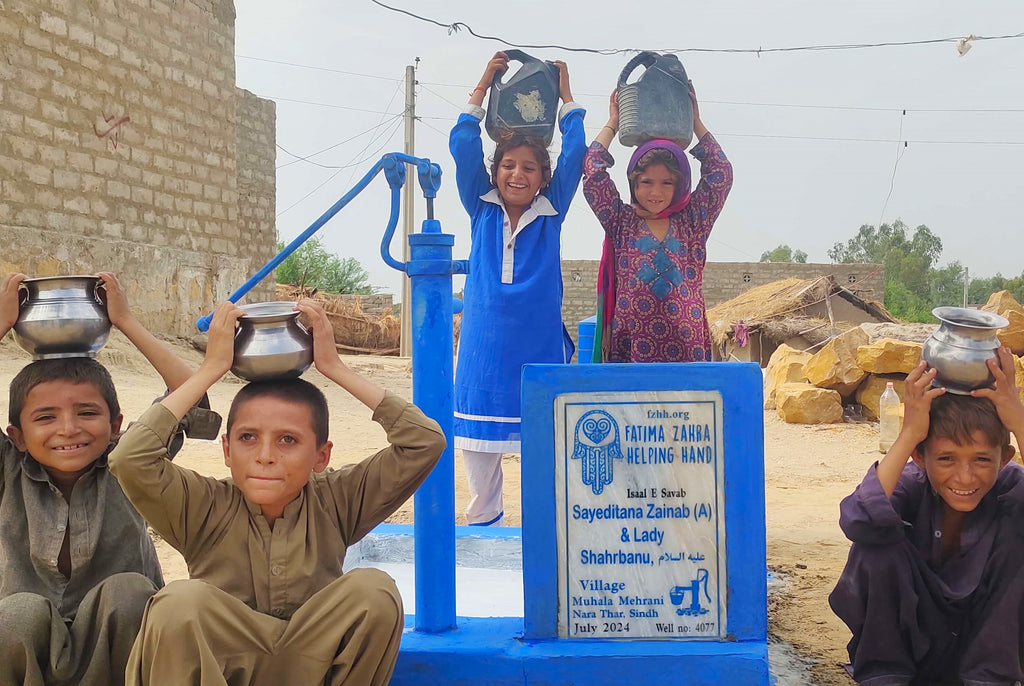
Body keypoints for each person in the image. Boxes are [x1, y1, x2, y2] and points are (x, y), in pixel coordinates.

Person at [109, 300, 446, 686]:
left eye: (287, 440)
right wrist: (210, 370)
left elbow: (424, 442)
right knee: (178, 603)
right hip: (226, 664)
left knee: (374, 591)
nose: (265, 456)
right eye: (248, 438)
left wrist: (335, 368)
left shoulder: (337, 498)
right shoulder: (201, 505)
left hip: (311, 657)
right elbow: (129, 459)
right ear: (227, 450)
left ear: (321, 456)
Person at [0, 271, 217, 686]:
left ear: (116, 424)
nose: (69, 429)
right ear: (18, 437)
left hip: (123, 660)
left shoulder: (130, 463)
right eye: (45, 417)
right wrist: (4, 320)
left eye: (87, 412)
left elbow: (191, 394)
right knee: (18, 612)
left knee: (129, 593)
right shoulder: (8, 467)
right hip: (29, 663)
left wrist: (127, 323)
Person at [829, 349, 1024, 686]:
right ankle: (885, 676)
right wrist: (908, 434)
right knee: (875, 544)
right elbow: (857, 520)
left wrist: (1017, 418)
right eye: (946, 459)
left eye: (980, 460)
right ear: (920, 456)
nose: (964, 478)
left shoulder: (1010, 489)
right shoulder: (908, 484)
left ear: (1005, 458)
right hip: (913, 657)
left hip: (988, 659)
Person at [449, 51, 586, 526]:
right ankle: (484, 529)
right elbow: (463, 141)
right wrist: (486, 79)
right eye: (508, 165)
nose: (517, 174)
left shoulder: (552, 214)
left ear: (542, 179)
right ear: (495, 172)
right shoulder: (480, 208)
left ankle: (544, 544)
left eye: (529, 167)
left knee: (544, 458)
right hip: (484, 353)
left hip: (537, 350)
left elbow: (576, 153)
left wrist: (566, 98)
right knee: (479, 455)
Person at [582, 84, 733, 363]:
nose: (656, 192)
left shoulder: (693, 221)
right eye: (646, 182)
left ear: (680, 185)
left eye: (667, 183)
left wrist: (695, 122)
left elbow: (721, 173)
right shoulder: (621, 221)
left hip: (688, 351)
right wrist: (613, 124)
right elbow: (593, 173)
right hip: (632, 347)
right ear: (633, 183)